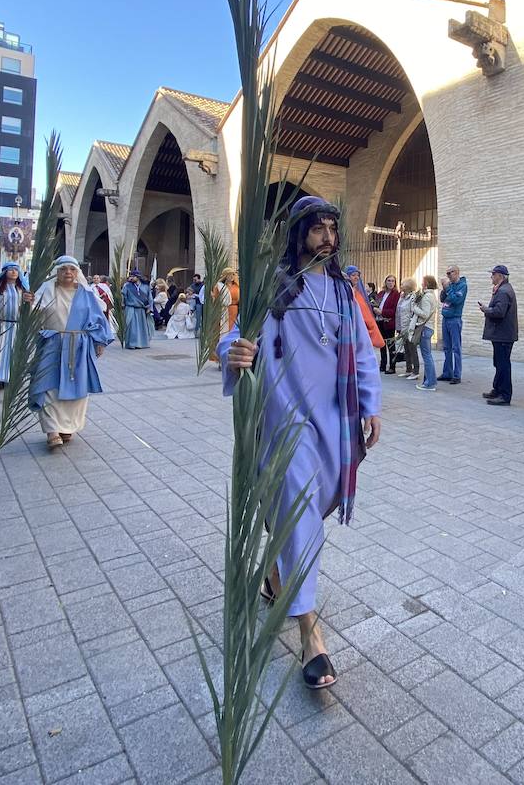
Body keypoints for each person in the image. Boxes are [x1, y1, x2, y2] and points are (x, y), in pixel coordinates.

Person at [219, 195, 381, 690]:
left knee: (308, 506)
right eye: (318, 229)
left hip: (331, 421)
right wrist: (236, 352)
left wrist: (370, 405)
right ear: (298, 235)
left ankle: (273, 574)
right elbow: (233, 338)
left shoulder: (342, 288)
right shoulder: (273, 286)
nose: (328, 237)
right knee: (302, 509)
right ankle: (312, 635)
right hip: (285, 418)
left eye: (333, 228)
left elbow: (362, 353)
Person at [29, 255, 114, 450]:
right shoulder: (47, 291)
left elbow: (98, 319)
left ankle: (66, 427)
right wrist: (27, 302)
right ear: (56, 273)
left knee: (77, 391)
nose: (68, 272)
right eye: (64, 269)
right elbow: (31, 312)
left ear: (78, 273)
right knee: (49, 387)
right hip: (53, 344)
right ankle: (52, 430)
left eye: (72, 269)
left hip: (79, 346)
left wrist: (99, 341)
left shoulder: (86, 293)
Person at [478, 265, 518, 405]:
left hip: (503, 334)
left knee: (503, 365)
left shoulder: (503, 291)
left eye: (493, 274)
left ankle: (505, 395)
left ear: (500, 276)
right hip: (502, 334)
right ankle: (497, 389)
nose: (491, 277)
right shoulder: (503, 289)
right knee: (499, 363)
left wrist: (486, 309)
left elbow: (499, 312)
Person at [0, 263, 28, 387]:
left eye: (16, 270)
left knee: (12, 353)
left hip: (16, 326)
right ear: (4, 272)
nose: (13, 272)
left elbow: (26, 308)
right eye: (10, 270)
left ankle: (10, 378)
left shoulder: (21, 290)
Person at [438, 265, 468, 385]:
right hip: (445, 318)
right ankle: (447, 373)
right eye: (447, 273)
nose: (448, 275)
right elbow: (442, 299)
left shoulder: (463, 285)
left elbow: (456, 300)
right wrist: (444, 289)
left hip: (455, 319)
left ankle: (457, 375)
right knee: (446, 347)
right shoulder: (449, 285)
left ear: (457, 272)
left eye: (450, 273)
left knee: (456, 348)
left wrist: (448, 289)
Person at [412, 274, 440, 392]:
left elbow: (425, 313)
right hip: (428, 327)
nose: (421, 284)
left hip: (425, 327)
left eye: (423, 282)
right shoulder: (431, 295)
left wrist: (414, 308)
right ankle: (429, 380)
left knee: (427, 356)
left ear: (427, 283)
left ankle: (429, 383)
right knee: (427, 355)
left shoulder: (427, 296)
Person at [374, 275, 400, 374]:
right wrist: (374, 308)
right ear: (385, 282)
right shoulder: (381, 293)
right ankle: (383, 365)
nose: (390, 283)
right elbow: (376, 303)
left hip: (389, 322)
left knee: (391, 345)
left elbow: (394, 310)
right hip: (379, 321)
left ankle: (392, 367)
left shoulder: (396, 295)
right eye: (389, 281)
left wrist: (382, 312)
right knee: (382, 344)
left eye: (393, 281)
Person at [121, 270, 152, 349]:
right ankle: (131, 344)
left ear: (138, 277)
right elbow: (123, 296)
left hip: (141, 310)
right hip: (130, 308)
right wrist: (122, 304)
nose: (131, 278)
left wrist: (149, 307)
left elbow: (150, 298)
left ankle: (142, 343)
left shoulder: (145, 286)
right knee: (131, 327)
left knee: (142, 327)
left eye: (133, 276)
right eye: (130, 276)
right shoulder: (127, 286)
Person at [397, 278, 419, 379]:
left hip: (409, 327)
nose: (400, 286)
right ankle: (408, 369)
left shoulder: (412, 297)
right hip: (403, 326)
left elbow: (412, 312)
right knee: (406, 349)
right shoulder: (403, 297)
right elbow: (399, 310)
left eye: (402, 284)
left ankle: (416, 371)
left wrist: (411, 327)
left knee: (412, 348)